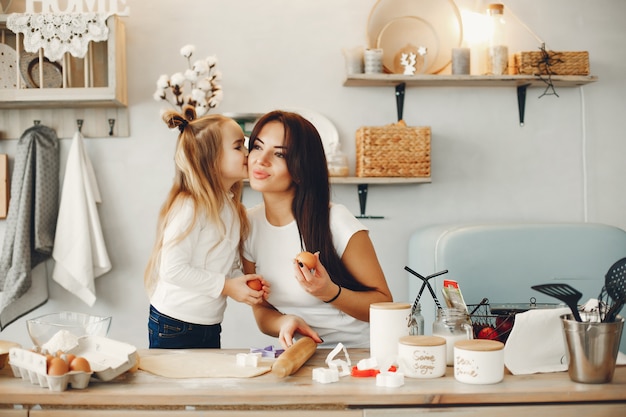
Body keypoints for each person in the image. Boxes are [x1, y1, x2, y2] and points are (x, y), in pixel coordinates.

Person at [242, 110, 393, 349]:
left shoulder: (336, 220)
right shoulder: (248, 226)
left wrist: (329, 292)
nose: (261, 160)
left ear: (301, 168)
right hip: (302, 356)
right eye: (258, 147)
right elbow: (261, 308)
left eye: (279, 154)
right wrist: (284, 321)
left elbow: (383, 305)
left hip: (361, 354)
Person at [144, 105, 269, 349]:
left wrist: (239, 283)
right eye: (238, 147)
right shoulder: (190, 206)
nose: (248, 153)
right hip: (174, 324)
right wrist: (226, 286)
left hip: (209, 323)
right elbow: (173, 269)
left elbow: (224, 264)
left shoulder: (231, 207)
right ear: (210, 160)